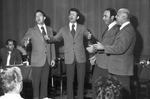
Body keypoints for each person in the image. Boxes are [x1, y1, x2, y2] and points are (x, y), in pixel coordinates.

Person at [48, 8, 92, 99]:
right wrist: (48, 38)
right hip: (69, 57)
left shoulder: (82, 28)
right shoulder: (63, 29)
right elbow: (56, 38)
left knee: (81, 80)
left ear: (78, 17)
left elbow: (87, 34)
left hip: (81, 57)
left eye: (73, 14)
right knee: (69, 80)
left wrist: (89, 36)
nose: (71, 16)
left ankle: (80, 97)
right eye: (70, 14)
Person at [93, 8, 136, 99]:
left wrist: (103, 48)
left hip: (122, 69)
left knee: (124, 93)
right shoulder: (123, 29)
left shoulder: (128, 30)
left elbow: (121, 48)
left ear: (124, 17)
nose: (115, 17)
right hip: (118, 68)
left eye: (117, 15)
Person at [21, 10, 56, 99]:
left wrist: (53, 58)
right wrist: (26, 43)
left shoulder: (50, 29)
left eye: (40, 15)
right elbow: (23, 41)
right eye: (36, 16)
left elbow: (52, 44)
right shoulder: (32, 30)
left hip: (47, 60)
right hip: (36, 61)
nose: (38, 17)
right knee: (36, 84)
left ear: (44, 18)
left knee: (45, 84)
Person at [87, 8, 120, 99]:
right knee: (95, 84)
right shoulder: (108, 28)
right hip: (100, 62)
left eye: (105, 16)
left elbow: (111, 47)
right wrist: (96, 56)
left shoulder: (116, 29)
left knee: (105, 89)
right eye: (103, 16)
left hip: (107, 64)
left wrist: (97, 49)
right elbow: (103, 45)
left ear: (113, 17)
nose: (103, 18)